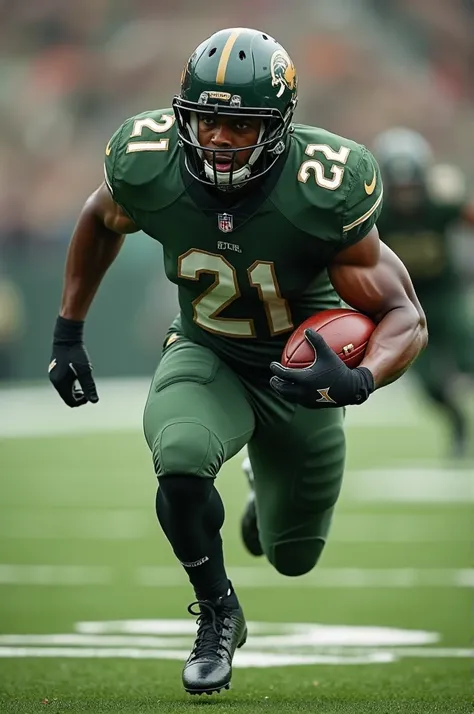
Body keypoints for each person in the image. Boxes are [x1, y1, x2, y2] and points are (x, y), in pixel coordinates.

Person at [48, 28, 427, 696]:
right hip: (208, 350)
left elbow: (406, 316)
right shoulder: (150, 163)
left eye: (239, 124)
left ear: (277, 128)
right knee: (181, 457)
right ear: (183, 115)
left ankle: (262, 487)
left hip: (303, 377)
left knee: (293, 557)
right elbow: (100, 218)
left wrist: (360, 377)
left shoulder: (323, 189)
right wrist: (67, 332)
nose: (219, 138)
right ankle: (218, 611)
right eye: (207, 118)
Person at [373, 128, 474, 458]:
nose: (406, 194)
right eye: (399, 187)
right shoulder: (378, 215)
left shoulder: (440, 204)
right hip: (406, 305)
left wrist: (459, 196)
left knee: (468, 356)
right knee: (430, 383)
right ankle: (458, 424)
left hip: (446, 297)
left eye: (411, 185)